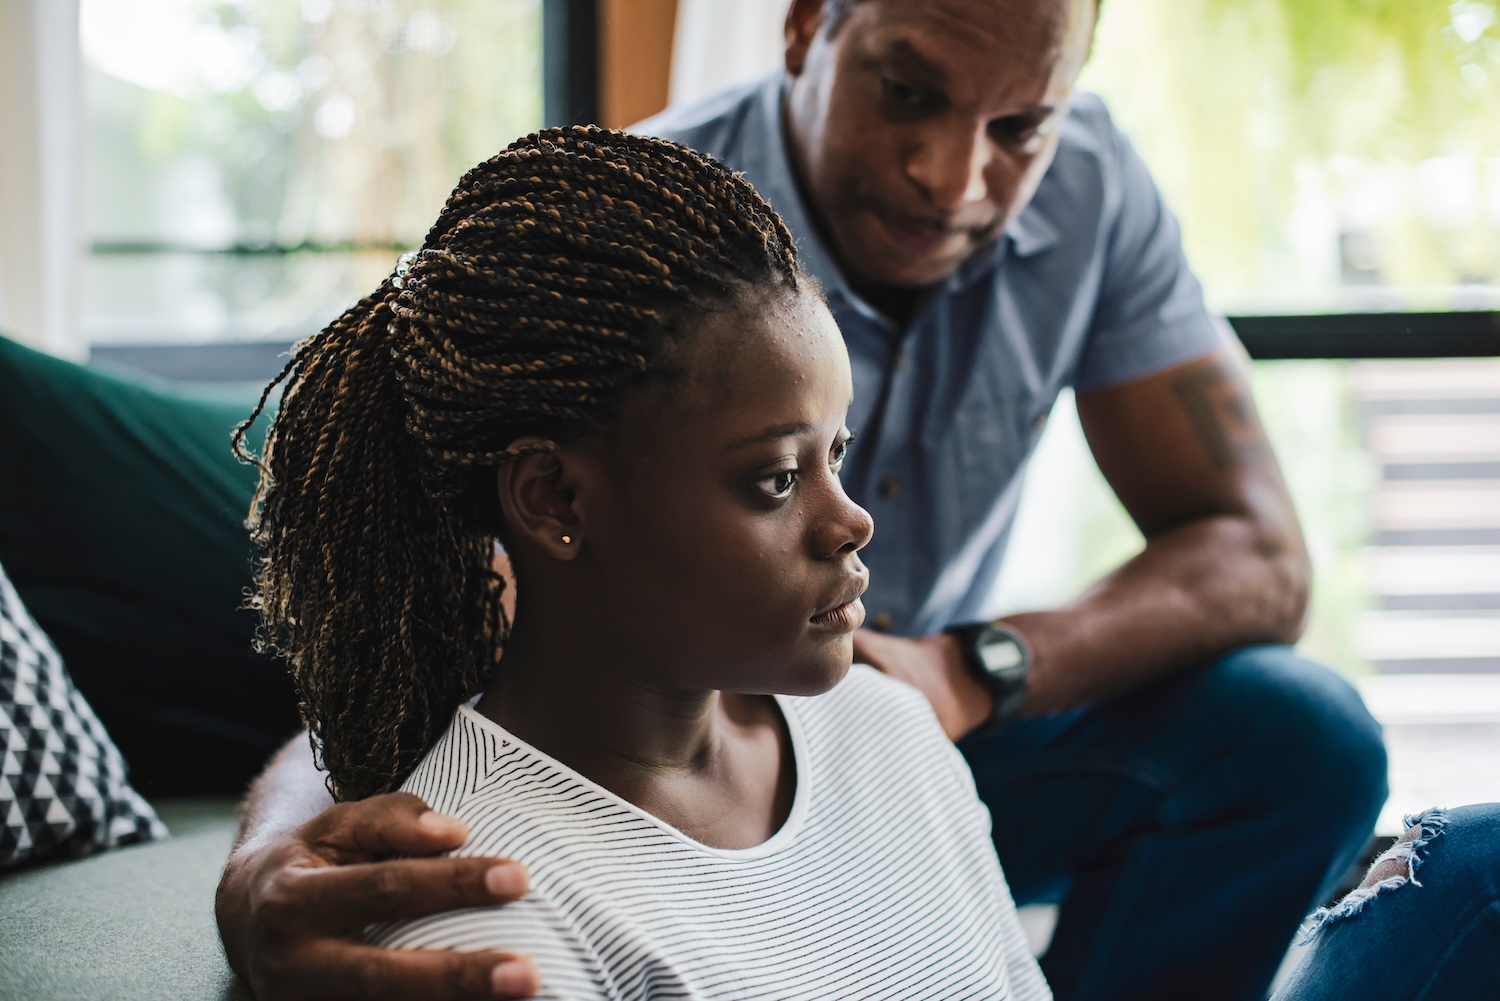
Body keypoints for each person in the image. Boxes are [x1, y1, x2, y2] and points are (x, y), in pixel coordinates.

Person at [214, 1, 1389, 999]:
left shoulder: (1092, 189)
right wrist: (275, 847)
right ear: (805, 25)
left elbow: (1259, 552)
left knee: (1313, 743)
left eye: (1018, 125)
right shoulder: (633, 253)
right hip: (673, 693)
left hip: (901, 707)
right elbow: (451, 630)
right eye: (907, 93)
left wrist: (971, 672)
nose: (955, 177)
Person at [236, 125, 1052, 1000]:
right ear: (555, 498)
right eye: (777, 479)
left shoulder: (888, 728)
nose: (851, 521)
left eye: (837, 455)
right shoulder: (481, 906)